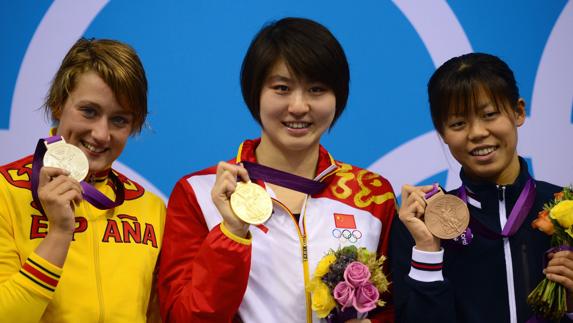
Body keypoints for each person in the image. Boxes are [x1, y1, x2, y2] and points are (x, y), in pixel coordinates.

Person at [158, 17, 397, 322]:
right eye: (282, 88)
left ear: (338, 96)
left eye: (316, 89)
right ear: (254, 93)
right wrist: (232, 234)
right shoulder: (200, 193)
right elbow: (183, 317)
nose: (298, 106)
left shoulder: (372, 195)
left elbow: (390, 308)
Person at [391, 52, 569, 322]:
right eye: (458, 123)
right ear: (442, 133)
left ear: (518, 111)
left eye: (489, 114)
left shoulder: (563, 208)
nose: (476, 133)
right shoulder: (422, 227)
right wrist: (428, 251)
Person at [0, 38, 165, 322]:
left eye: (119, 120)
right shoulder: (5, 191)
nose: (101, 134)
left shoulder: (150, 208)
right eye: (89, 111)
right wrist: (60, 233)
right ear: (58, 105)